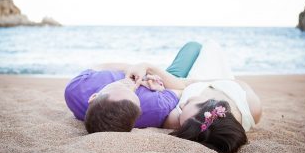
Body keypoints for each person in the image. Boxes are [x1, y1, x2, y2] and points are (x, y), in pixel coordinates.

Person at [126, 40, 262, 153]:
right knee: (211, 45)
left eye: (181, 117)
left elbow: (173, 92)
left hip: (181, 80)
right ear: (210, 102)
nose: (180, 105)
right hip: (202, 79)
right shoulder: (253, 109)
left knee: (193, 47)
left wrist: (161, 89)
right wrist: (196, 82)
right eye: (187, 104)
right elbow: (237, 83)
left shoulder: (185, 121)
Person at [64, 42, 202, 133]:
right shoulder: (156, 106)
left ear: (93, 97)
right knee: (194, 46)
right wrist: (150, 71)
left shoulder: (73, 91)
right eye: (135, 92)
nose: (132, 85)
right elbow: (182, 87)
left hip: (141, 73)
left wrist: (130, 68)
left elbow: (98, 66)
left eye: (122, 85)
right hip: (164, 79)